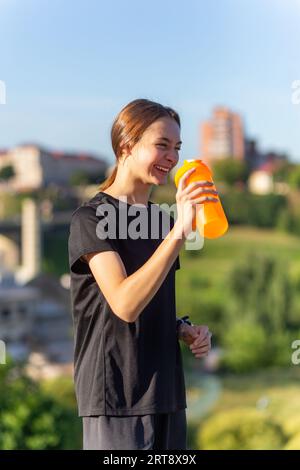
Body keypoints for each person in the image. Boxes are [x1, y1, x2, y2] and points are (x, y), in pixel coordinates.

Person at [68, 98, 216, 450]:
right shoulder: (90, 219)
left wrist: (183, 329)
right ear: (126, 145)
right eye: (161, 145)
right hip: (116, 401)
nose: (172, 157)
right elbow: (124, 304)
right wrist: (181, 230)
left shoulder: (161, 221)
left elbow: (153, 302)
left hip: (167, 396)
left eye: (177, 147)